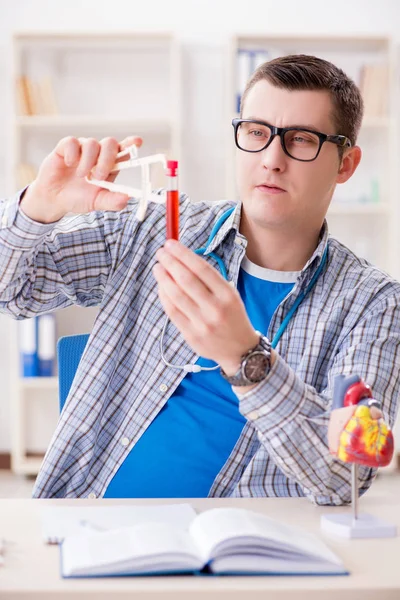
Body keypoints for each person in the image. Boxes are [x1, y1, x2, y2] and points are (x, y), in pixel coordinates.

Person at [0, 54, 399, 503]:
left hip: (251, 556)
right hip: (92, 532)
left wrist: (245, 357)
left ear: (346, 164)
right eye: (256, 132)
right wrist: (37, 207)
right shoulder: (154, 228)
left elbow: (343, 478)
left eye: (302, 140)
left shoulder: (374, 304)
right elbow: (10, 292)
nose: (271, 160)